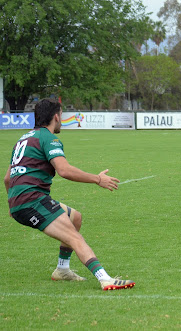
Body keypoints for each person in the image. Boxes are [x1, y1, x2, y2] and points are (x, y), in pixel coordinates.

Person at [3, 99, 135, 291]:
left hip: (19, 201)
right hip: (32, 200)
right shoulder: (48, 138)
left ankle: (62, 270)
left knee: (75, 218)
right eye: (61, 115)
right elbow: (64, 170)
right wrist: (97, 179)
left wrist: (11, 204)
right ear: (56, 116)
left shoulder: (23, 139)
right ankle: (105, 278)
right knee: (74, 237)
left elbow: (8, 178)